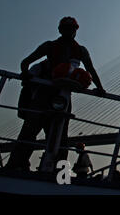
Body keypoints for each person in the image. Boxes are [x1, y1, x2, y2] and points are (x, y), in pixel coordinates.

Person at [6, 17, 105, 171]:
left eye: (72, 28)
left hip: (63, 98)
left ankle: (59, 173)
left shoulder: (81, 50)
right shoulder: (49, 46)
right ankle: (15, 167)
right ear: (60, 30)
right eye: (66, 28)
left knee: (60, 138)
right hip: (43, 95)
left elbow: (90, 69)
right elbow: (25, 62)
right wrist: (25, 74)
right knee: (29, 132)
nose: (69, 31)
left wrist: (100, 88)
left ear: (76, 30)